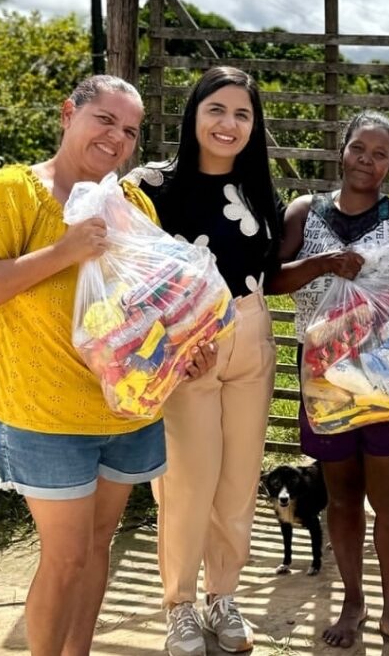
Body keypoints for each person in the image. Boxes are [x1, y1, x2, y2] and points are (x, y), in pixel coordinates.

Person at [0, 75, 212, 656]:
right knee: (65, 557)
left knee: (98, 548)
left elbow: (150, 305)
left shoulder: (134, 204)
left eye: (130, 130)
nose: (117, 138)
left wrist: (184, 348)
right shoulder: (15, 191)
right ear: (69, 113)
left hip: (125, 414)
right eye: (105, 120)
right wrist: (66, 250)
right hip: (45, 417)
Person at [125, 66, 281, 656]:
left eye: (243, 114)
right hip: (185, 346)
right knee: (187, 483)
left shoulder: (259, 189)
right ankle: (179, 606)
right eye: (217, 109)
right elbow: (128, 277)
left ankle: (223, 595)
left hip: (250, 331)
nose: (229, 124)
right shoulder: (150, 186)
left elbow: (268, 268)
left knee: (238, 481)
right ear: (194, 112)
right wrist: (168, 344)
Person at [272, 110, 389, 656]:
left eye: (379, 153)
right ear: (342, 150)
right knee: (340, 498)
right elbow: (273, 278)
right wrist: (325, 265)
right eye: (359, 148)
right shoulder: (302, 211)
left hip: (387, 378)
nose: (367, 160)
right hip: (324, 377)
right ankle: (353, 602)